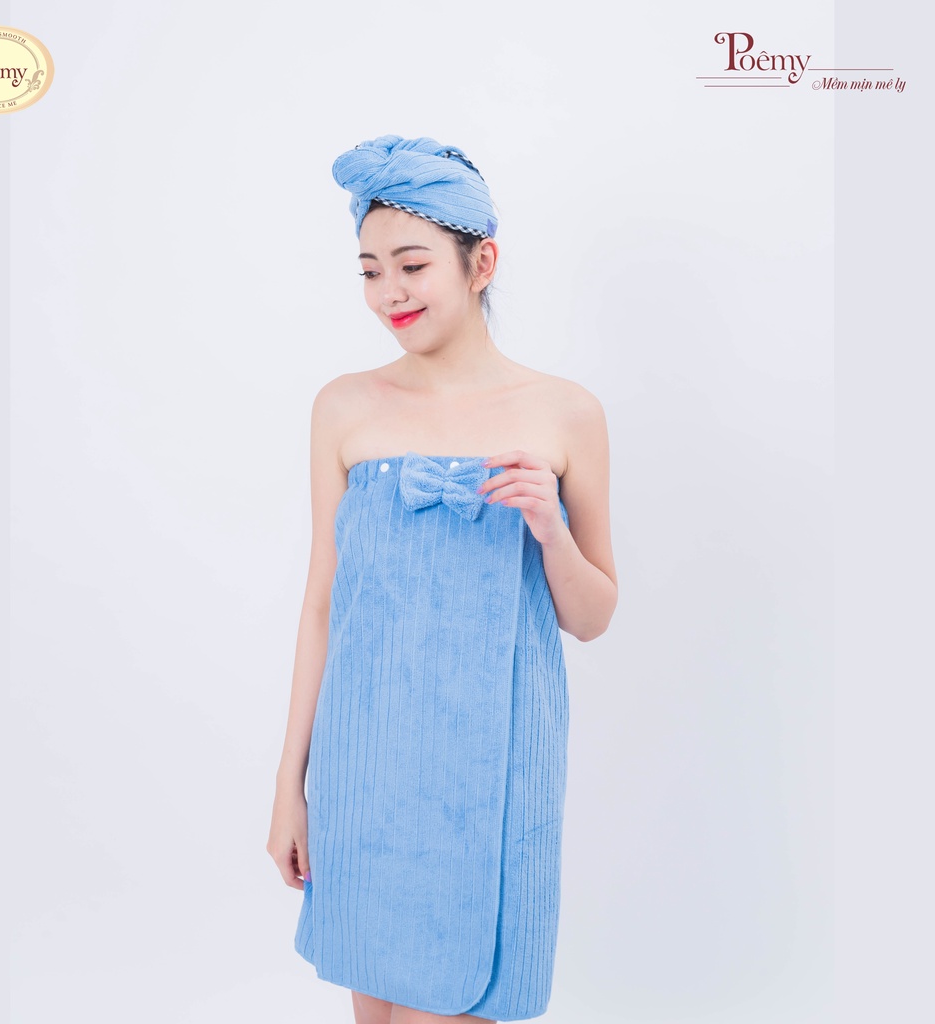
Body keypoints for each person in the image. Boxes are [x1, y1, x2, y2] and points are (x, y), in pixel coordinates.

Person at [266, 134, 618, 1024]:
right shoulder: (343, 405)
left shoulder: (565, 412)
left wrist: (550, 530)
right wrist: (290, 786)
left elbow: (593, 616)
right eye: (370, 271)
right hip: (364, 767)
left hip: (490, 775)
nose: (390, 292)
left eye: (413, 265)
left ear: (481, 263)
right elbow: (322, 604)